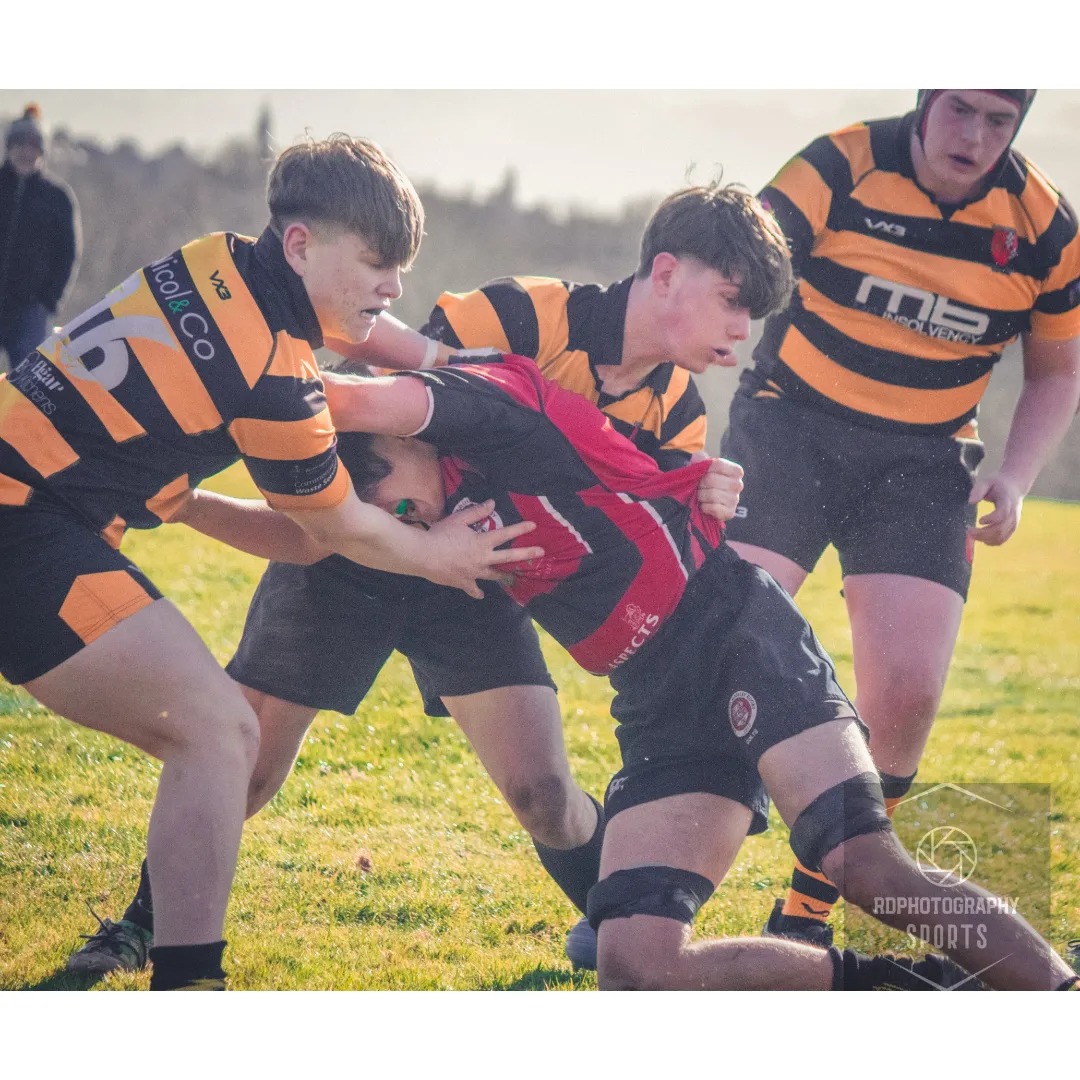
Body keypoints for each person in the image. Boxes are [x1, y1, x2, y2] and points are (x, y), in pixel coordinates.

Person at [173, 352, 1080, 990]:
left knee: (861, 864)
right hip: (657, 703)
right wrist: (181, 502)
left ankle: (1054, 992)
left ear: (404, 441)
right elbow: (308, 538)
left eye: (390, 500)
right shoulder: (427, 512)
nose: (403, 525)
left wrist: (243, 379)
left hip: (739, 635)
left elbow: (386, 380)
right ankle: (914, 991)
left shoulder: (500, 423)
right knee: (636, 970)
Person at [64, 183, 788, 976]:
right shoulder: (524, 314)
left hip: (478, 577)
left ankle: (622, 929)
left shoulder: (677, 411)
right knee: (250, 764)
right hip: (356, 547)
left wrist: (705, 495)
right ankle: (141, 925)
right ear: (667, 273)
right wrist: (207, 489)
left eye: (753, 314)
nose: (742, 332)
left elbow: (648, 535)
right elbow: (377, 400)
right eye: (733, 302)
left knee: (546, 795)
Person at [0, 134, 541, 991]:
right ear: (299, 245)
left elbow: (313, 504)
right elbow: (341, 530)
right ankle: (190, 983)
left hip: (34, 509)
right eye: (377, 264)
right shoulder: (273, 376)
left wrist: (441, 361)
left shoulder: (211, 260)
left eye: (400, 269)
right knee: (220, 731)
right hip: (27, 528)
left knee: (219, 732)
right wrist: (438, 552)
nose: (394, 289)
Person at [717, 89, 1080, 944]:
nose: (975, 136)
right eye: (960, 110)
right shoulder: (836, 167)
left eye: (999, 121)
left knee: (909, 690)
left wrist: (1016, 477)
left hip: (925, 461)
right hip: (790, 427)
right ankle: (650, 884)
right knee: (723, 644)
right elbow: (731, 271)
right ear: (925, 99)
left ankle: (809, 907)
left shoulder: (1046, 228)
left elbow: (1058, 371)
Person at [0, 104, 81, 372]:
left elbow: (68, 254)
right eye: (19, 144)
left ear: (42, 151)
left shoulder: (58, 197)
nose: (26, 151)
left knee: (29, 384)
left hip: (30, 312)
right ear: (9, 147)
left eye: (33, 144)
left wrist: (49, 302)